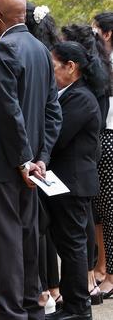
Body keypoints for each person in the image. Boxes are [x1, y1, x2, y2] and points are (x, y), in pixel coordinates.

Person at [0, 0, 62, 320]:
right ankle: (31, 307)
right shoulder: (40, 50)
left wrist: (22, 159)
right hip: (30, 166)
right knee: (26, 237)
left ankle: (11, 313)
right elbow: (52, 112)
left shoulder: (3, 50)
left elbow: (8, 110)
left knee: (2, 242)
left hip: (2, 165)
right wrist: (40, 159)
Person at [44, 41, 104, 320]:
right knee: (68, 245)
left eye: (54, 66)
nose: (50, 72)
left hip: (73, 183)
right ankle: (70, 304)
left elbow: (57, 136)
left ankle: (79, 307)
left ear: (72, 67)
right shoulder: (67, 94)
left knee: (74, 246)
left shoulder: (80, 98)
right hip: (62, 183)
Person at [61, 22, 112, 305]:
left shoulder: (87, 93)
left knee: (90, 224)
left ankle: (92, 281)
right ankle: (88, 282)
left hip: (86, 164)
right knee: (86, 225)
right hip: (86, 162)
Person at [25, 2, 61, 314]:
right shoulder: (48, 56)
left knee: (37, 227)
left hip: (34, 157)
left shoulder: (34, 58)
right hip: (47, 156)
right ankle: (52, 288)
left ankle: (43, 291)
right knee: (44, 228)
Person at [91, 12, 113, 299]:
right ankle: (101, 263)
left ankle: (110, 273)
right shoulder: (100, 63)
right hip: (99, 138)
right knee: (97, 210)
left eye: (96, 31)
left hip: (110, 137)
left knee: (109, 210)